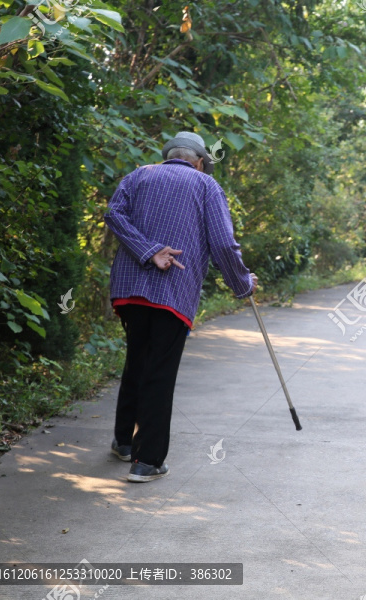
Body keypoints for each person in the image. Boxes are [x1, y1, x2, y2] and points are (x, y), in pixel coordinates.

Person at [105, 131, 257, 483]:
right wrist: (243, 283)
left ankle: (124, 442)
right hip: (173, 294)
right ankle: (147, 461)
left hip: (129, 291)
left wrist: (148, 250)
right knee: (159, 370)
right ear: (200, 161)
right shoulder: (206, 186)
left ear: (168, 156)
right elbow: (222, 243)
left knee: (137, 359)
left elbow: (113, 215)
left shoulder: (139, 174)